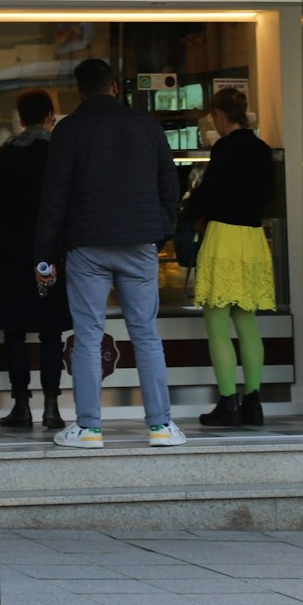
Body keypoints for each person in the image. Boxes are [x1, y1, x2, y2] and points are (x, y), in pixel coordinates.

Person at [34, 58, 185, 450]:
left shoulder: (69, 131)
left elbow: (54, 198)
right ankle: (161, 426)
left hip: (87, 246)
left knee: (86, 336)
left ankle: (89, 428)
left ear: (79, 91)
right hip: (139, 244)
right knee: (146, 334)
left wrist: (44, 256)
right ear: (114, 86)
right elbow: (170, 184)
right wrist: (161, 232)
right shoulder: (147, 127)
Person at [0, 87, 70, 430]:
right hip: (50, 251)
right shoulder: (58, 151)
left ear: (20, 118)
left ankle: (21, 406)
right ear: (50, 117)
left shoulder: (7, 153)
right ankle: (52, 409)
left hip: (11, 250)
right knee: (51, 331)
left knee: (13, 331)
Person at [183, 86, 276, 427]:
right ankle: (253, 403)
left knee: (217, 324)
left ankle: (227, 403)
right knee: (247, 322)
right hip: (253, 239)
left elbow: (209, 194)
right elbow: (268, 195)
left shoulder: (224, 148)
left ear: (219, 116)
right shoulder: (262, 149)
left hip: (223, 236)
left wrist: (188, 215)